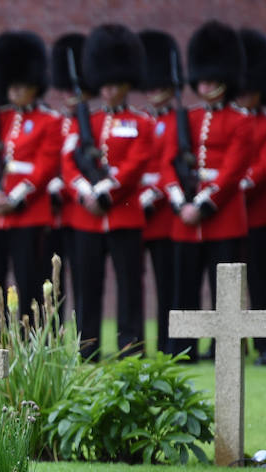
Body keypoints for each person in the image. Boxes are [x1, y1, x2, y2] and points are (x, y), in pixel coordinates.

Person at [163, 21, 255, 362]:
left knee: (225, 291)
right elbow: (166, 162)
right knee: (183, 287)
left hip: (222, 216)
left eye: (211, 79)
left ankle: (225, 349)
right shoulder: (185, 118)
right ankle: (183, 348)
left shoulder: (240, 120)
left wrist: (202, 202)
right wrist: (179, 201)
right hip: (184, 216)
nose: (205, 85)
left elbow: (233, 171)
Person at [62, 24, 152, 359]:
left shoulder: (140, 123)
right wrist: (86, 190)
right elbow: (68, 163)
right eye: (106, 84)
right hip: (86, 216)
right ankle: (88, 348)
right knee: (88, 286)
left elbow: (136, 163)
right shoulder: (85, 121)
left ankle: (131, 347)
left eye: (116, 84)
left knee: (130, 286)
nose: (109, 90)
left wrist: (106, 191)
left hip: (123, 214)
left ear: (127, 85)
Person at [0, 31, 61, 338]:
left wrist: (15, 197)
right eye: (14, 85)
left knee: (29, 279)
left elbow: (45, 166)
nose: (17, 90)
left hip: (28, 214)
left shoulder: (49, 121)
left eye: (24, 85)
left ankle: (31, 338)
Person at [236, 29, 266, 364]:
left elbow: (265, 167)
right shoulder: (233, 122)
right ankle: (231, 341)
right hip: (226, 216)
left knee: (260, 281)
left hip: (258, 215)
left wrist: (239, 183)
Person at [138, 30, 182, 356]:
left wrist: (154, 193)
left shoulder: (179, 122)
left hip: (164, 213)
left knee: (167, 283)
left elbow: (171, 165)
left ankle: (170, 343)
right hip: (138, 213)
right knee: (136, 284)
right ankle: (141, 343)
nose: (154, 92)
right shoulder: (143, 122)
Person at [48, 33, 89, 312]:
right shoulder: (53, 123)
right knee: (51, 282)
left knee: (84, 280)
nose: (68, 96)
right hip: (51, 214)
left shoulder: (93, 125)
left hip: (79, 212)